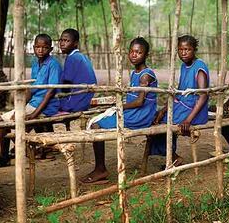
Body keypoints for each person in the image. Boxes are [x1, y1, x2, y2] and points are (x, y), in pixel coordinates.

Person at [81, 37, 158, 184]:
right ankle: (100, 168)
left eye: (139, 52)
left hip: (140, 115)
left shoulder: (145, 75)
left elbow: (139, 101)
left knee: (96, 125)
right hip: (134, 112)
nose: (134, 55)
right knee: (98, 119)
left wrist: (119, 107)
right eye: (132, 52)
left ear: (146, 55)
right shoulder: (135, 73)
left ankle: (100, 169)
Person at [0, 34, 62, 167]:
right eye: (37, 47)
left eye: (45, 47)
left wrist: (34, 114)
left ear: (51, 49)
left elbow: (51, 91)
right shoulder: (36, 64)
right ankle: (4, 155)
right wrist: (19, 109)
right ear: (33, 47)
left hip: (47, 105)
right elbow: (31, 89)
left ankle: (27, 149)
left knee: (20, 123)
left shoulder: (53, 65)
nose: (40, 50)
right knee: (2, 121)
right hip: (33, 103)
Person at [149, 35, 209, 165]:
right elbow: (180, 92)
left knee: (162, 124)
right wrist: (164, 109)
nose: (183, 52)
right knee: (154, 118)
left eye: (187, 49)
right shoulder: (183, 66)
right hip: (182, 106)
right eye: (181, 49)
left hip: (194, 111)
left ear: (194, 50)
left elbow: (203, 95)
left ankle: (173, 157)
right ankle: (172, 156)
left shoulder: (199, 67)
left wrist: (188, 120)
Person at [58, 28, 97, 113]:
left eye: (66, 41)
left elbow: (66, 85)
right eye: (61, 40)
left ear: (75, 43)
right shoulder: (81, 56)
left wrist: (58, 96)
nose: (62, 44)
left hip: (76, 102)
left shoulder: (72, 58)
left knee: (49, 100)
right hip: (85, 99)